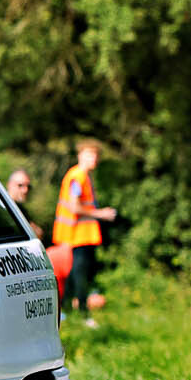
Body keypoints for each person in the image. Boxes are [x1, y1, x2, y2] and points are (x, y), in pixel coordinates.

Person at [52, 138, 116, 326]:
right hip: (76, 235)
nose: (94, 159)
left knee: (75, 274)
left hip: (80, 235)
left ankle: (68, 311)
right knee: (79, 274)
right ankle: (82, 314)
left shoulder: (83, 176)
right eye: (90, 154)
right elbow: (74, 206)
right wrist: (101, 214)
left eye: (96, 155)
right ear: (80, 155)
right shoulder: (77, 176)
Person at [6, 169, 44, 242]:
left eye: (28, 186)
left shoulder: (19, 208)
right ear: (9, 185)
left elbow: (38, 232)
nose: (25, 190)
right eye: (20, 185)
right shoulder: (4, 207)